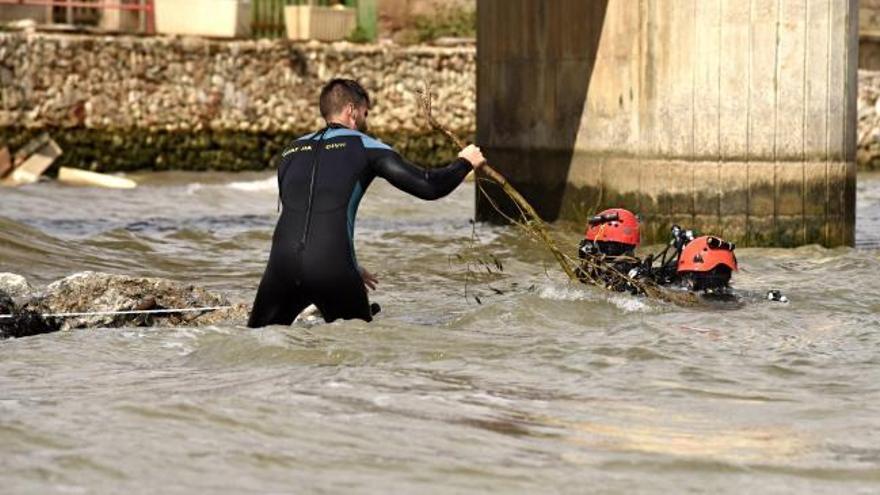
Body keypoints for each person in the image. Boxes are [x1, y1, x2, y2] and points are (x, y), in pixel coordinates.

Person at [248, 79, 486, 328]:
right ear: (351, 110)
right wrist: (465, 162)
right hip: (333, 268)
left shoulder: (290, 151)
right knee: (357, 344)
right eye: (365, 113)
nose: (366, 120)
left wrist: (339, 262)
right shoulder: (365, 146)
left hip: (282, 267)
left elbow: (305, 214)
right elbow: (429, 186)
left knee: (257, 339)